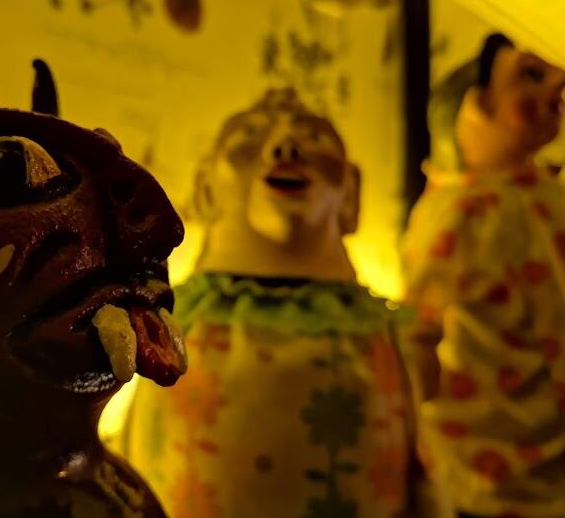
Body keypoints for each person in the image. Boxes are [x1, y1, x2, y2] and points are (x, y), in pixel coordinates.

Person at [124, 87, 417, 518]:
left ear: (351, 191)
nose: (285, 148)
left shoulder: (377, 332)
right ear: (206, 187)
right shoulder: (174, 324)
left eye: (314, 138)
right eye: (251, 136)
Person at [402, 33, 565, 518]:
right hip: (489, 459)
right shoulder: (458, 211)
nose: (558, 82)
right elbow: (419, 333)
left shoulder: (547, 192)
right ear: (477, 108)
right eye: (529, 77)